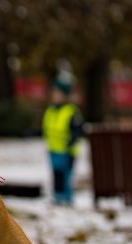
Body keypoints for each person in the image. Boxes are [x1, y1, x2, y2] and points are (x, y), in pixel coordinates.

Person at [42, 77, 84, 205]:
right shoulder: (51, 110)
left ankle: (66, 198)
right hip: (53, 149)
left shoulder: (71, 111)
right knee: (56, 175)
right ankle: (57, 197)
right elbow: (47, 127)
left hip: (67, 151)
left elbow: (77, 129)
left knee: (65, 176)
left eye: (58, 93)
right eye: (54, 92)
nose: (55, 95)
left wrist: (72, 140)